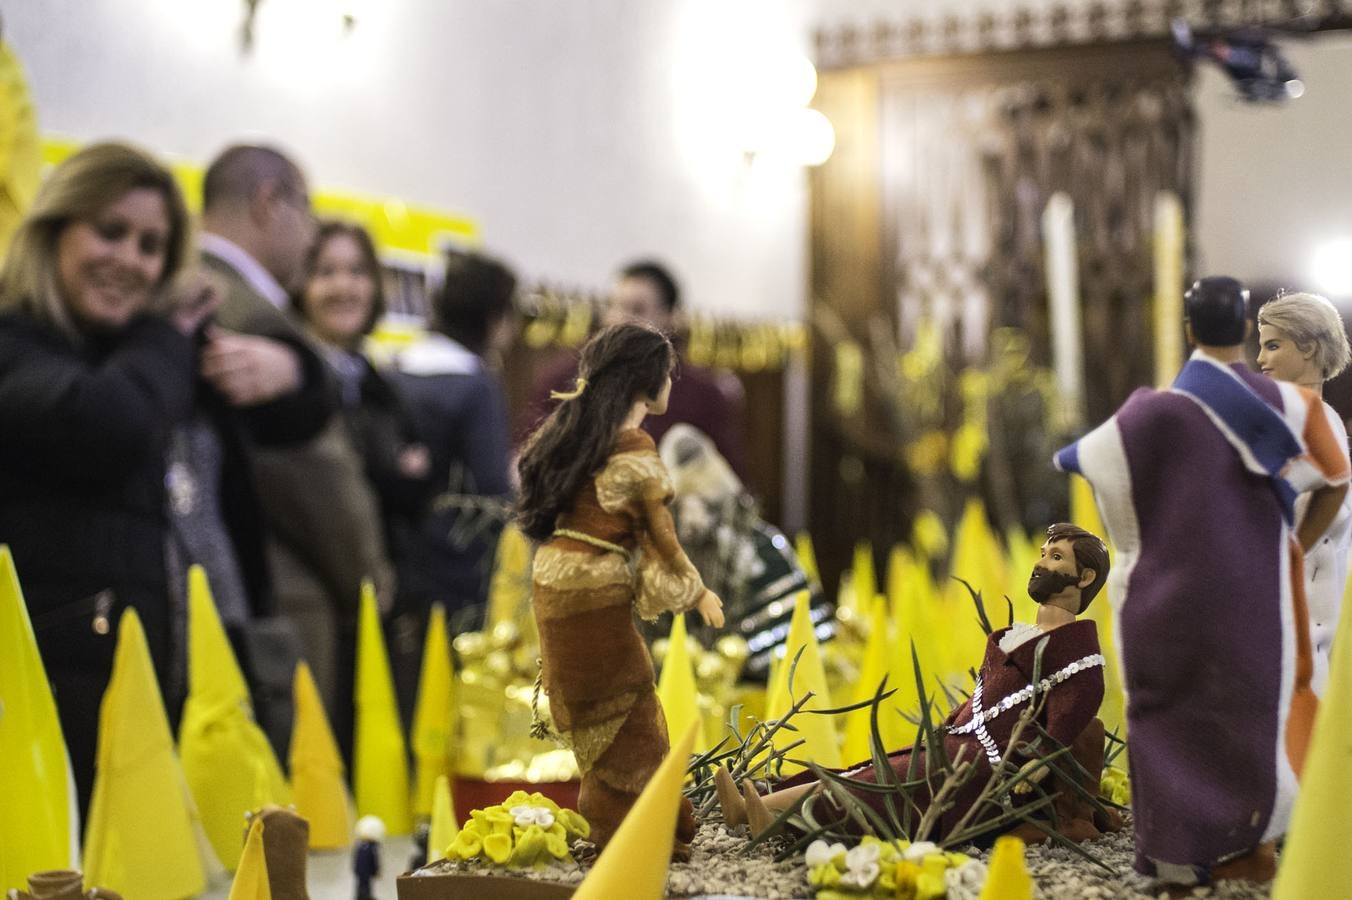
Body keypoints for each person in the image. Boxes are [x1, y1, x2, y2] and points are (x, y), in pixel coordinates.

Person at [1055, 276, 1348, 888]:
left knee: (1171, 716)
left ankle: (1180, 858)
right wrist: (1287, 544)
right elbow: (1336, 476)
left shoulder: (1155, 409)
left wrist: (1138, 541)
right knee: (1249, 714)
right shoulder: (1293, 408)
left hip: (1174, 591)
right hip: (1256, 599)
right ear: (1241, 331)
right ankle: (1251, 843)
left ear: (1189, 330)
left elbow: (1090, 462)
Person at [0, 142, 213, 814]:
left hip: (139, 689)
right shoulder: (15, 344)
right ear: (55, 229)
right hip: (44, 700)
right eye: (110, 231)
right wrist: (164, 333)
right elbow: (105, 424)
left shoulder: (138, 355)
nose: (130, 260)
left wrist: (291, 369)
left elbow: (294, 413)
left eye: (151, 245)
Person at [716, 523, 1115, 845]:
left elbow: (1063, 726)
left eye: (1057, 557)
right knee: (871, 771)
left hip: (989, 769)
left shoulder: (1078, 659)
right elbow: (981, 698)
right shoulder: (1017, 636)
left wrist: (1031, 768)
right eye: (1044, 553)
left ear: (1085, 577)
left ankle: (773, 815)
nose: (1042, 563)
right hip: (958, 743)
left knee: (888, 786)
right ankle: (761, 804)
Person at [200, 144, 393, 755]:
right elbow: (319, 484)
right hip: (284, 602)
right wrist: (373, 584)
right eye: (306, 213)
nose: (308, 238)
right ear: (269, 202)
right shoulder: (246, 312)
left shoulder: (198, 289)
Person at [516, 322, 725, 854]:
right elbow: (659, 537)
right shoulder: (632, 449)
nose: (672, 385)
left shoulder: (577, 437)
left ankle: (617, 821)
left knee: (592, 706)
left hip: (553, 576)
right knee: (630, 705)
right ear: (648, 382)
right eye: (668, 375)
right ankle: (638, 831)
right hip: (596, 582)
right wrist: (696, 591)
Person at [293, 221, 431, 575]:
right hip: (312, 583)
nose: (344, 287)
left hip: (382, 583)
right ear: (301, 284)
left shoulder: (383, 388)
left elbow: (418, 490)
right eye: (326, 272)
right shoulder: (290, 380)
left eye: (357, 271)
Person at [524, 259, 747, 477]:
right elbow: (528, 453)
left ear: (670, 316)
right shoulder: (565, 377)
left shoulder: (702, 393)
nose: (622, 318)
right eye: (615, 306)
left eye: (637, 309)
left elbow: (723, 477)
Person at [393, 249, 515, 634]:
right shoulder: (475, 386)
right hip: (457, 572)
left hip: (394, 557)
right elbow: (490, 493)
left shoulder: (394, 368)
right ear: (495, 319)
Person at [1257, 291, 1352, 697]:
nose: (1261, 359)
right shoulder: (1308, 418)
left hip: (1304, 612)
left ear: (1309, 346)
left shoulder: (1306, 421)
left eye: (1273, 345)